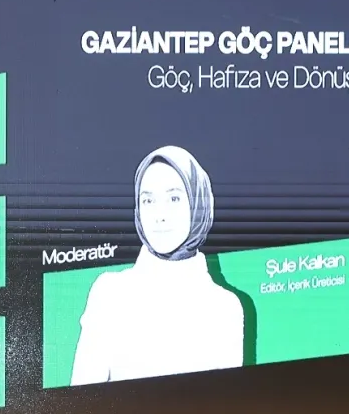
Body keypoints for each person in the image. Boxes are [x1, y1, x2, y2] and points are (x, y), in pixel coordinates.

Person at [70, 146, 244, 385]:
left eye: (174, 198)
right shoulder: (109, 292)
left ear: (198, 203)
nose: (159, 215)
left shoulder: (224, 307)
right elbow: (83, 399)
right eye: (148, 200)